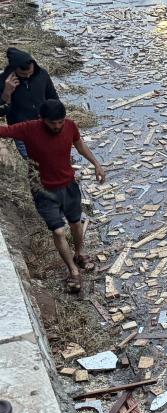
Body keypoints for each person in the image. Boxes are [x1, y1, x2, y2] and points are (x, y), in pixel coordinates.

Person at [0, 100, 106, 294]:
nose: (57, 127)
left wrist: (96, 164)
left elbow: (79, 145)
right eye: (52, 123)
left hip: (69, 186)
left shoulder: (70, 125)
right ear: (42, 119)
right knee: (57, 231)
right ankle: (73, 270)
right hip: (43, 190)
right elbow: (4, 131)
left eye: (60, 122)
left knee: (75, 223)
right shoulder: (28, 128)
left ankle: (79, 253)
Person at [1, 48, 60, 158]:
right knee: (32, 162)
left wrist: (56, 117)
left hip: (44, 125)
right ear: (14, 69)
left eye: (30, 73)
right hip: (21, 130)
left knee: (50, 157)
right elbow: (2, 111)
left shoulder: (42, 74)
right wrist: (7, 92)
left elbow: (53, 97)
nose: (28, 76)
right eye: (23, 74)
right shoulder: (3, 81)